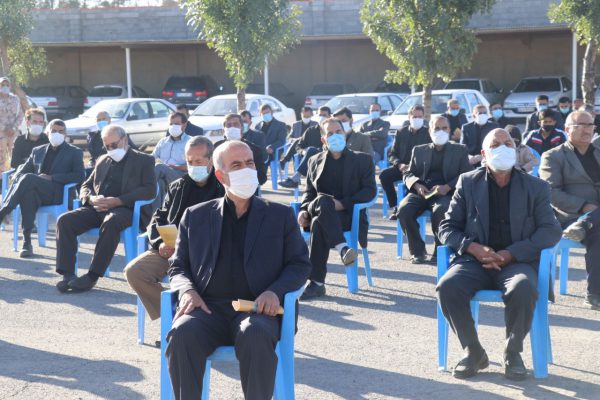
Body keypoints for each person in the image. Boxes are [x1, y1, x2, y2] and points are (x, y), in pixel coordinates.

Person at [165, 140, 311, 400]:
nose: (247, 169)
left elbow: (300, 264)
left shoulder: (280, 215)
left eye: (250, 163)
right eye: (237, 165)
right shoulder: (195, 216)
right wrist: (187, 290)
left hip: (258, 309)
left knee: (254, 334)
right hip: (207, 309)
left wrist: (275, 291)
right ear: (221, 176)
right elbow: (178, 265)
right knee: (182, 333)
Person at [436, 128, 562, 381]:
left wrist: (510, 254)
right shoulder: (468, 182)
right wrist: (473, 248)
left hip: (517, 262)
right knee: (448, 286)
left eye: (508, 144)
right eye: (496, 145)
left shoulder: (536, 187)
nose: (503, 148)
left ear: (516, 151)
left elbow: (551, 230)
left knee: (523, 287)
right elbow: (446, 227)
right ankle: (473, 352)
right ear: (484, 154)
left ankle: (512, 353)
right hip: (474, 260)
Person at [124, 136, 224, 329]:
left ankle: (192, 323)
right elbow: (159, 217)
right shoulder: (178, 186)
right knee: (135, 272)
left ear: (211, 161)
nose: (193, 166)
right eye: (189, 161)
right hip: (171, 251)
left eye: (198, 161)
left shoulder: (223, 188)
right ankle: (173, 316)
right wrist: (160, 242)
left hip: (207, 256)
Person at [55, 124, 156, 293]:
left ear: (125, 139)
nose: (111, 149)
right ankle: (68, 275)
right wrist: (91, 198)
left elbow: (149, 190)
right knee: (65, 220)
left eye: (114, 145)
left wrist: (118, 201)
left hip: (126, 209)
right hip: (99, 207)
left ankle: (92, 275)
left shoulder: (144, 160)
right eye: (107, 146)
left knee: (111, 221)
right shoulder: (103, 160)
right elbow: (86, 185)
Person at [298, 118, 377, 300]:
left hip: (349, 216)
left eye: (338, 132)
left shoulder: (362, 160)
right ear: (323, 139)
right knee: (323, 201)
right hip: (319, 208)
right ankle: (343, 249)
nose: (335, 136)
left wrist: (342, 204)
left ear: (345, 133)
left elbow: (369, 191)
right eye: (330, 133)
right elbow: (309, 192)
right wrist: (303, 210)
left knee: (318, 223)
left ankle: (317, 284)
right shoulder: (314, 161)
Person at [539, 111, 600, 310]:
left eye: (590, 125)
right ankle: (595, 294)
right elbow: (551, 192)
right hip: (572, 216)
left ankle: (587, 222)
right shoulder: (553, 156)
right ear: (567, 129)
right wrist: (584, 206)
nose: (587, 129)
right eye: (581, 125)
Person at [0, 119, 85, 257]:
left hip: (58, 193)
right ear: (47, 132)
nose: (57, 134)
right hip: (37, 192)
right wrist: (30, 178)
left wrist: (52, 178)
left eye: (61, 131)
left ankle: (4, 211)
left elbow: (79, 175)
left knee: (29, 178)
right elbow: (20, 173)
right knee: (28, 193)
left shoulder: (75, 152)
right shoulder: (37, 151)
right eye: (54, 131)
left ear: (65, 134)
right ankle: (27, 242)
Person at [397, 116, 472, 263]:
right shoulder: (419, 150)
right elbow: (408, 173)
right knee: (404, 210)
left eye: (444, 128)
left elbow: (466, 174)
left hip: (446, 193)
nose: (440, 131)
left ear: (450, 130)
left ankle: (439, 252)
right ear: (430, 131)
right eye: (436, 128)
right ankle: (417, 251)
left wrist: (448, 187)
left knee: (441, 211)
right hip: (421, 191)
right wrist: (417, 185)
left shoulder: (460, 150)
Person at [379, 105, 431, 219]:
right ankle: (395, 207)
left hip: (419, 170)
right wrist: (399, 164)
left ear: (423, 117)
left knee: (412, 184)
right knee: (384, 175)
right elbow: (392, 153)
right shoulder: (401, 132)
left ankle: (408, 209)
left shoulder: (428, 133)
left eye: (420, 117)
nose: (417, 119)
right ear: (409, 117)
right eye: (414, 116)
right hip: (402, 168)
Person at [279, 106, 331, 189]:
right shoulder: (311, 130)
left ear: (329, 116)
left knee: (311, 150)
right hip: (309, 159)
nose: (321, 117)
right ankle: (296, 179)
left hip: (327, 158)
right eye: (320, 115)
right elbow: (298, 146)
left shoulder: (334, 130)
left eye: (324, 115)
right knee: (309, 150)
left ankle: (295, 179)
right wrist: (303, 151)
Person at [152, 112, 191, 210]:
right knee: (160, 183)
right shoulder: (163, 142)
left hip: (181, 176)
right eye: (171, 124)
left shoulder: (190, 142)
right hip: (163, 175)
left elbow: (194, 166)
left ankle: (144, 188)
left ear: (184, 125)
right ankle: (157, 213)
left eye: (176, 124)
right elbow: (151, 159)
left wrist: (175, 167)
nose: (173, 126)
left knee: (160, 168)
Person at [214, 113, 267, 186]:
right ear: (224, 129)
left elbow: (262, 178)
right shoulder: (216, 148)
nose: (232, 127)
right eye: (229, 125)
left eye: (235, 124)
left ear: (242, 127)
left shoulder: (254, 149)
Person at [0, 77, 24, 174]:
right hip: (1, 133)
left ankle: (14, 177)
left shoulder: (15, 99)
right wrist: (4, 128)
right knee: (1, 156)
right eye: (2, 85)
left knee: (14, 155)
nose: (5, 87)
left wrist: (13, 128)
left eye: (7, 85)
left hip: (13, 133)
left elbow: (20, 115)